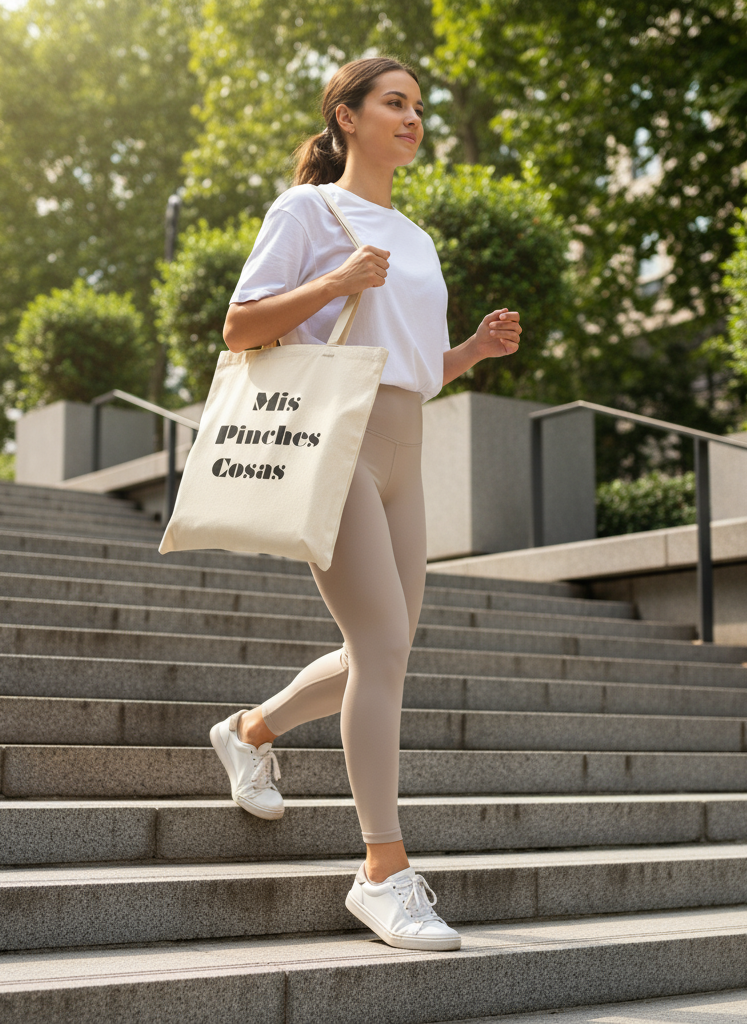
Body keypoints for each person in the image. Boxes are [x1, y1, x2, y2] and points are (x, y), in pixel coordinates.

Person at [209, 55, 523, 952]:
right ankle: (383, 871)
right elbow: (241, 326)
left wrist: (471, 351)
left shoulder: (416, 237)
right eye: (395, 103)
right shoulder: (306, 210)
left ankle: (250, 729)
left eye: (418, 106)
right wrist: (337, 280)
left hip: (404, 447)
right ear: (346, 117)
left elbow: (412, 368)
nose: (412, 117)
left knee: (382, 649)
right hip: (332, 442)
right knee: (382, 645)